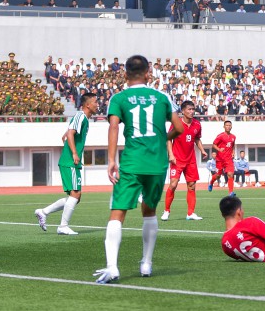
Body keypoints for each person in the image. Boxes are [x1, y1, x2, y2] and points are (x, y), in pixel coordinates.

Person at [94, 55, 183, 284]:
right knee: (150, 211)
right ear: (148, 73)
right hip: (156, 163)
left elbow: (113, 126)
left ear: (125, 75)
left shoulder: (119, 98)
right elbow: (180, 127)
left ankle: (112, 267)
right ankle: (146, 263)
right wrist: (163, 137)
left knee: (117, 214)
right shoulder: (161, 97)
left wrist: (112, 159)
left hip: (132, 162)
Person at [34, 93, 96, 235]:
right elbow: (69, 134)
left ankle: (43, 212)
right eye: (95, 102)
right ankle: (63, 226)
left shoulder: (83, 119)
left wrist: (68, 136)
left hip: (70, 161)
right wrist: (74, 153)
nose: (97, 105)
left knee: (75, 197)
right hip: (70, 161)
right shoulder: (80, 116)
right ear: (87, 104)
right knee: (76, 194)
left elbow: (67, 134)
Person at [162, 100, 206, 222]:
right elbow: (168, 139)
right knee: (173, 184)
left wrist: (202, 150)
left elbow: (197, 139)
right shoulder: (177, 124)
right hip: (177, 159)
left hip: (191, 160)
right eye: (189, 109)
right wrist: (170, 154)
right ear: (183, 111)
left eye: (193, 109)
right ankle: (166, 211)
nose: (192, 111)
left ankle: (190, 213)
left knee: (192, 186)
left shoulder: (197, 124)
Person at [209, 120, 236, 194]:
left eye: (229, 125)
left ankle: (231, 192)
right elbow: (214, 144)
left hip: (229, 159)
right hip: (220, 160)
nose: (228, 126)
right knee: (218, 176)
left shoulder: (233, 137)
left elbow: (233, 146)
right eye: (226, 125)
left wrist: (233, 152)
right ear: (224, 127)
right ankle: (211, 182)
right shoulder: (220, 136)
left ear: (231, 127)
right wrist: (219, 149)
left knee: (230, 174)